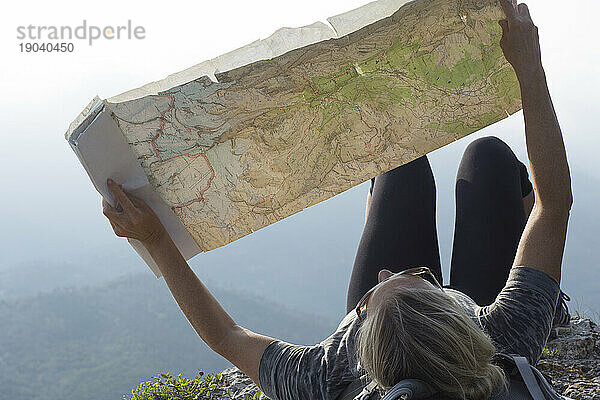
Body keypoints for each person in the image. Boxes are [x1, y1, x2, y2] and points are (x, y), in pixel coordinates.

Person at [101, 0, 572, 398]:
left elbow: (227, 336)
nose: (386, 270)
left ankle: (408, 286)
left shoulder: (332, 375)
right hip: (467, 325)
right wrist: (529, 67)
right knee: (487, 156)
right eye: (417, 277)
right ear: (458, 311)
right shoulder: (504, 337)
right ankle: (525, 243)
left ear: (360, 341)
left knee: (400, 165)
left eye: (370, 298)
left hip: (407, 336)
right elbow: (554, 204)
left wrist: (157, 242)